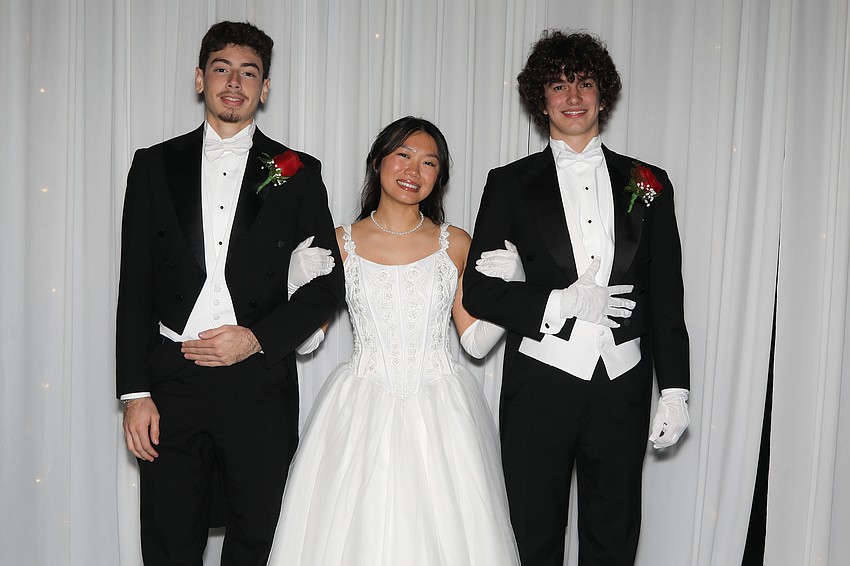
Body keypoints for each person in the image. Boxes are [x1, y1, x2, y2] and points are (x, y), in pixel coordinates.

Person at [116, 21, 344, 565]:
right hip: (171, 379)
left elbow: (326, 286)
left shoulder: (296, 171)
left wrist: (257, 340)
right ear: (200, 79)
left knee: (258, 536)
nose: (234, 83)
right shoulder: (152, 165)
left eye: (249, 73)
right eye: (222, 69)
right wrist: (134, 393)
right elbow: (136, 284)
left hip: (258, 383)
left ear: (264, 88)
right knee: (169, 539)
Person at [463, 30, 691, 566]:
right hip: (540, 382)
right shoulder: (509, 183)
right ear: (540, 99)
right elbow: (480, 291)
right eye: (558, 85)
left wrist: (676, 389)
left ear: (603, 96)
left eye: (584, 84)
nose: (572, 97)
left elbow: (666, 297)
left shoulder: (649, 181)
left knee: (614, 536)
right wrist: (556, 302)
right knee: (531, 534)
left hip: (623, 384)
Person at [267, 116, 522, 566]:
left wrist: (512, 294)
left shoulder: (455, 243)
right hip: (361, 406)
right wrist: (295, 286)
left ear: (439, 175)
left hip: (444, 410)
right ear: (377, 162)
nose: (413, 170)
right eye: (403, 155)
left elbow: (477, 343)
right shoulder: (341, 243)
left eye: (428, 162)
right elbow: (306, 344)